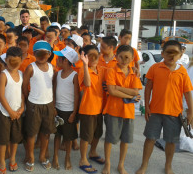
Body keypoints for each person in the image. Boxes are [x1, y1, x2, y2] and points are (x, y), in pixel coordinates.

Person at [136, 40, 193, 174]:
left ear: (180, 55)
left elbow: (187, 93)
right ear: (162, 53)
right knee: (150, 139)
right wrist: (147, 106)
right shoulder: (155, 68)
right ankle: (144, 165)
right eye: (168, 53)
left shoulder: (183, 72)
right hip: (155, 111)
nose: (172, 56)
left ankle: (168, 166)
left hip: (174, 113)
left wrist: (191, 111)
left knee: (171, 142)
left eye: (175, 53)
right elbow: (148, 87)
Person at [102, 45, 142, 174]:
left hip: (128, 112)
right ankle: (107, 164)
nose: (124, 60)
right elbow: (112, 92)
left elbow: (136, 91)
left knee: (125, 140)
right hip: (113, 110)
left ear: (131, 59)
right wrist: (130, 95)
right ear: (116, 56)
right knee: (110, 139)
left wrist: (118, 88)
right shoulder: (111, 71)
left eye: (127, 57)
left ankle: (121, 165)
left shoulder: (133, 72)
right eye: (121, 57)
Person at [23, 41, 56, 171]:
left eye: (45, 53)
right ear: (34, 54)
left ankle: (42, 156)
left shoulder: (52, 68)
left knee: (46, 133)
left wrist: (53, 105)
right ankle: (30, 157)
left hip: (48, 104)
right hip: (34, 104)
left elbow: (52, 86)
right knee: (32, 133)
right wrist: (28, 99)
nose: (42, 56)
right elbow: (25, 86)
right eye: (39, 53)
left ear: (49, 54)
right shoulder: (31, 68)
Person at [0, 47, 25, 174]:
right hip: (4, 113)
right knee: (3, 140)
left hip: (17, 113)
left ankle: (12, 159)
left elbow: (22, 93)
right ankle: (2, 162)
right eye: (11, 61)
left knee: (15, 138)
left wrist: (22, 107)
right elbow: (1, 96)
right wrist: (10, 112)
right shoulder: (3, 75)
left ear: (21, 61)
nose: (13, 64)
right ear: (6, 60)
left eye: (16, 61)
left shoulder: (21, 74)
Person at [78, 44, 106, 174]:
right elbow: (87, 84)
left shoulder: (102, 69)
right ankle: (83, 159)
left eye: (96, 55)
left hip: (99, 108)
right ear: (84, 57)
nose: (94, 58)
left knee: (97, 133)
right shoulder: (83, 70)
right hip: (88, 108)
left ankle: (93, 152)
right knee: (86, 136)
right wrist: (85, 64)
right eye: (91, 56)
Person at [52, 46, 80, 170]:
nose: (57, 60)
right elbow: (54, 91)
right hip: (58, 109)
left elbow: (76, 95)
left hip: (69, 111)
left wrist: (74, 113)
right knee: (57, 135)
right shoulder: (57, 74)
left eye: (59, 59)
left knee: (68, 137)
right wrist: (53, 107)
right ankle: (55, 157)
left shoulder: (74, 75)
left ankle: (67, 158)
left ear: (66, 61)